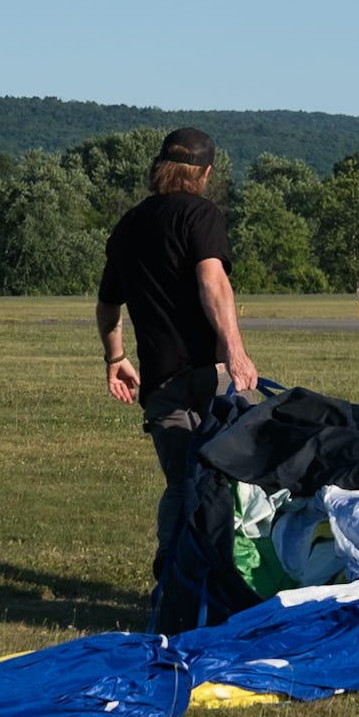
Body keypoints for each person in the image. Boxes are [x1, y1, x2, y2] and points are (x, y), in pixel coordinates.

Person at [96, 128, 260, 613]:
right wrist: (235, 353)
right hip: (210, 374)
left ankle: (172, 578)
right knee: (233, 480)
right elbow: (213, 282)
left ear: (159, 167)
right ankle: (230, 585)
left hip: (160, 382)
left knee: (180, 483)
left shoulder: (129, 224)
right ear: (206, 172)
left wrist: (115, 359)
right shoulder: (201, 215)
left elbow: (107, 305)